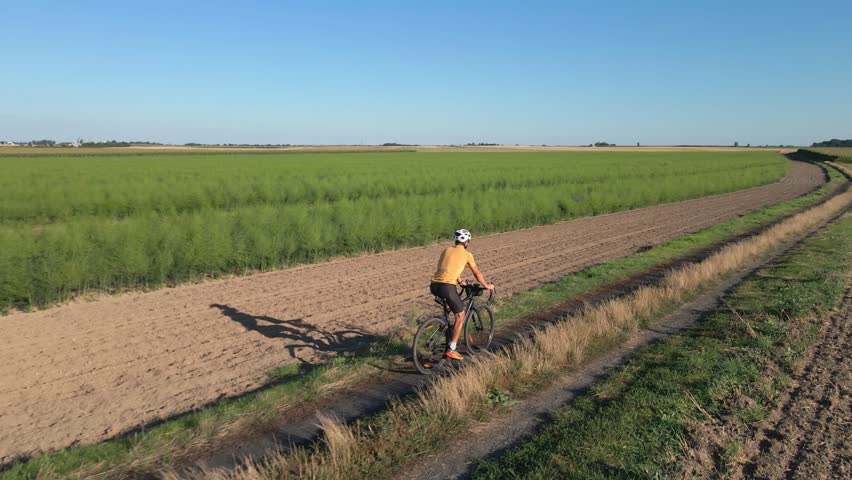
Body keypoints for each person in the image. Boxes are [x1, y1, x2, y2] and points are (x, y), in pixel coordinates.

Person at [429, 228, 495, 361]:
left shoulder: (446, 250)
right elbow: (476, 273)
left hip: (435, 285)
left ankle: (444, 328)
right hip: (447, 287)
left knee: (450, 309)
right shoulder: (467, 254)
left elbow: (447, 268)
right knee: (460, 316)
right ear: (467, 242)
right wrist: (487, 285)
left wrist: (460, 281)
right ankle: (452, 349)